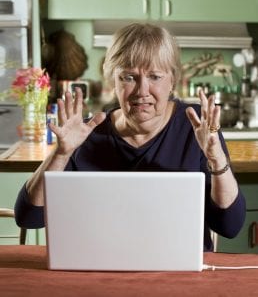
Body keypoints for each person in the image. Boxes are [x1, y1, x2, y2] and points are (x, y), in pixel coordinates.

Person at [15, 23, 245, 251]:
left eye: (155, 76)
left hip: (180, 270)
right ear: (112, 81)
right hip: (99, 265)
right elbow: (29, 217)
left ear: (172, 80)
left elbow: (229, 226)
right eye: (129, 77)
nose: (142, 91)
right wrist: (61, 153)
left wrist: (216, 159)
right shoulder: (85, 135)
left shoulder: (196, 128)